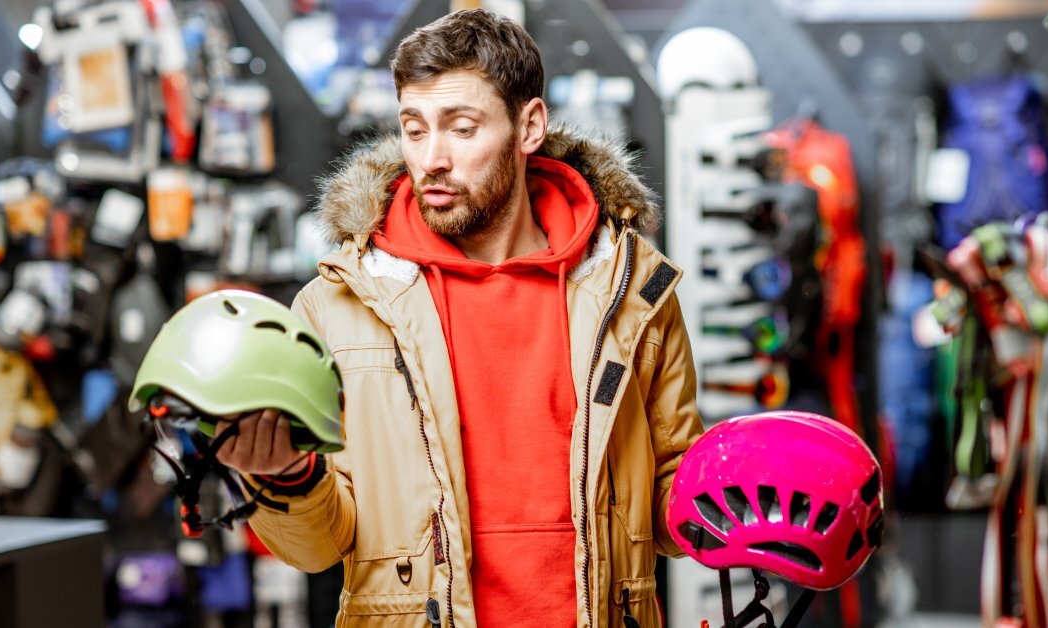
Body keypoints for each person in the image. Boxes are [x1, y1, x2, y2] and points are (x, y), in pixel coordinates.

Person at [215, 9, 703, 627]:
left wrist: (735, 500)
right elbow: (315, 549)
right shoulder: (338, 304)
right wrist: (284, 476)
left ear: (529, 126)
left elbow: (671, 499)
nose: (431, 159)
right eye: (414, 130)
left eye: (462, 128)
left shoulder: (632, 289)